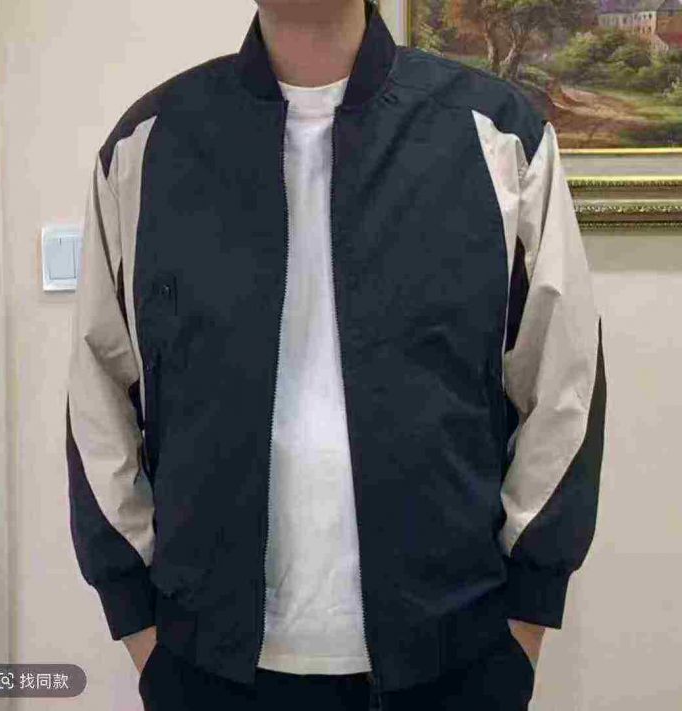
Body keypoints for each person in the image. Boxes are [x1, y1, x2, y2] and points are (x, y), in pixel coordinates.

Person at [65, 1, 607, 709]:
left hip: (455, 658)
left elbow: (564, 380)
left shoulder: (497, 134)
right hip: (205, 664)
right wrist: (138, 624)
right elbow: (98, 393)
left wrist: (526, 618)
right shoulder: (148, 146)